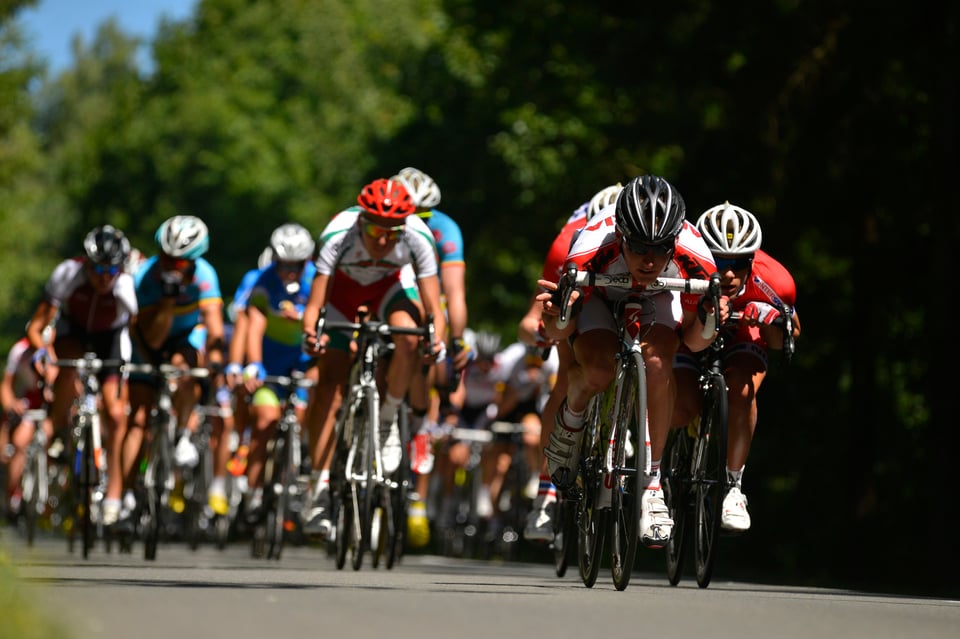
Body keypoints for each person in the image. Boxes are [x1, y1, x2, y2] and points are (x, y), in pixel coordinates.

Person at [537, 174, 726, 548]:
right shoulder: (591, 243)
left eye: (661, 249)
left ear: (676, 239)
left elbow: (695, 342)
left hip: (659, 299)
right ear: (620, 235)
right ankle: (572, 419)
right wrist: (553, 317)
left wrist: (709, 319)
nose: (650, 259)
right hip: (601, 296)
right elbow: (559, 331)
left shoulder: (696, 256)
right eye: (639, 247)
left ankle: (652, 486)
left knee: (658, 364)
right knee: (597, 371)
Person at [300, 178, 446, 537]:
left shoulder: (417, 236)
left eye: (392, 233)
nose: (383, 240)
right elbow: (316, 301)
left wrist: (437, 340)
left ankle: (387, 419)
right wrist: (311, 333)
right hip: (341, 297)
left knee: (409, 341)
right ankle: (317, 488)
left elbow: (433, 306)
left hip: (388, 291)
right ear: (361, 220)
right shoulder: (337, 234)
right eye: (375, 230)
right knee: (330, 386)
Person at [673, 202, 800, 532]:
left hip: (744, 332)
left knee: (742, 392)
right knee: (682, 407)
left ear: (753, 260)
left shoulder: (776, 280)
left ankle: (733, 486)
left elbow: (787, 334)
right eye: (720, 261)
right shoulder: (683, 264)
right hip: (692, 328)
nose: (729, 273)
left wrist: (771, 318)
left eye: (739, 263)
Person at [519, 184, 622, 541]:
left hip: (632, 292)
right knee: (566, 375)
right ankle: (546, 492)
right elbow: (533, 317)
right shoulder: (568, 242)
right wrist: (539, 331)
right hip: (584, 295)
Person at [24, 225, 138, 527]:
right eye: (98, 268)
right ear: (85, 263)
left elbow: (135, 332)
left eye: (111, 270)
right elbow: (36, 327)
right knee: (67, 370)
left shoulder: (125, 284)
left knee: (115, 414)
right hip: (71, 332)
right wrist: (41, 352)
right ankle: (61, 429)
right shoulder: (67, 273)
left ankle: (114, 493)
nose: (104, 277)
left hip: (110, 338)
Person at [123, 215, 225, 526]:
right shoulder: (144, 276)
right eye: (167, 258)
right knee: (139, 418)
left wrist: (217, 362)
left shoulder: (205, 275)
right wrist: (167, 301)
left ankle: (182, 434)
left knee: (187, 367)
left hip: (183, 338)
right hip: (146, 340)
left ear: (194, 261)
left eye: (181, 263)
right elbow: (150, 336)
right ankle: (126, 491)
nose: (172, 267)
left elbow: (213, 325)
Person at [391, 166, 470, 547]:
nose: (413, 223)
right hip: (387, 296)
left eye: (422, 216)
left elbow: (453, 293)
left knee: (430, 385)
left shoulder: (445, 229)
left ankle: (418, 498)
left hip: (427, 305)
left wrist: (456, 342)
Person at [240, 223, 317, 521]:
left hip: (301, 365)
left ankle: (299, 479)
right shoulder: (263, 281)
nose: (289, 273)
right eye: (283, 265)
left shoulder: (316, 280)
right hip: (269, 366)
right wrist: (253, 363)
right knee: (264, 422)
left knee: (302, 420)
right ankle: (254, 491)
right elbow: (254, 323)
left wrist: (302, 319)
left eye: (296, 266)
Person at [1, 333, 55, 521]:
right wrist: (11, 405)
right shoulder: (19, 350)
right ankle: (12, 496)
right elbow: (6, 386)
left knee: (51, 435)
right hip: (28, 403)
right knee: (20, 442)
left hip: (51, 406)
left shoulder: (55, 348)